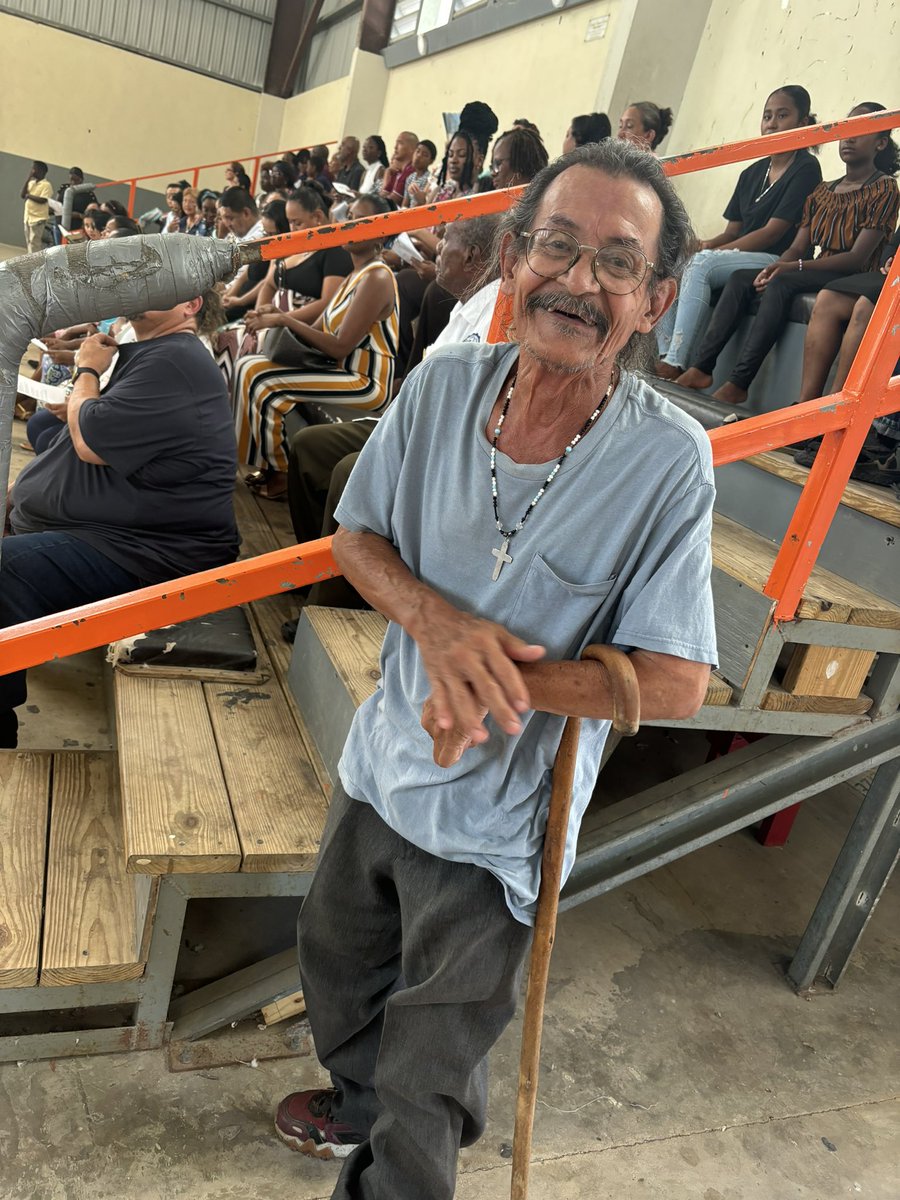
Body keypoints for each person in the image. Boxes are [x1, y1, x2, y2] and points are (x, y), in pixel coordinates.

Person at [273, 139, 715, 1198]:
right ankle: (356, 1103)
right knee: (336, 976)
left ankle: (390, 1164)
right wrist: (439, 627)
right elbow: (356, 539)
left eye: (616, 263)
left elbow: (673, 684)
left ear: (652, 302)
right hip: (383, 768)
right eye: (557, 246)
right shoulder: (443, 386)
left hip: (499, 833)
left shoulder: (667, 462)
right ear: (513, 259)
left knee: (431, 1087)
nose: (578, 281)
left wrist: (496, 682)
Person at [0, 290, 239, 750]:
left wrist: (87, 370)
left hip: (151, 550)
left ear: (190, 306)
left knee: (5, 568)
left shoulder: (177, 360)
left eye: (162, 288)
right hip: (120, 529)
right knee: (42, 446)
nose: (144, 291)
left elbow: (91, 440)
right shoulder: (159, 351)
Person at [677, 101, 900, 405]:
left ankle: (739, 382)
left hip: (852, 275)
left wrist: (792, 268)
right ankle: (701, 368)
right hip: (817, 267)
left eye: (861, 132)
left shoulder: (884, 189)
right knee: (743, 279)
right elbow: (797, 245)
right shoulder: (824, 190)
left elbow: (858, 258)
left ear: (880, 143)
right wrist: (776, 266)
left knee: (783, 283)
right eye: (847, 130)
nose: (848, 138)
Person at [233, 194, 399, 499]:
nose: (347, 224)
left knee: (265, 381)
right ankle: (262, 463)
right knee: (247, 365)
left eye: (358, 220)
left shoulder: (377, 277)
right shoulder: (355, 274)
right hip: (338, 369)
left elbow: (339, 347)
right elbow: (319, 328)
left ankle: (282, 471)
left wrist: (283, 319)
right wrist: (270, 315)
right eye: (347, 215)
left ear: (381, 233)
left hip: (364, 381)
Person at [654, 86, 823, 379]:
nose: (772, 123)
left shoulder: (806, 168)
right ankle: (665, 353)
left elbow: (773, 232)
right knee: (677, 261)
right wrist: (706, 244)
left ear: (804, 123)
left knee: (702, 264)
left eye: (783, 115)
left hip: (775, 257)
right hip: (741, 254)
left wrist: (714, 253)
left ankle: (678, 361)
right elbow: (732, 230)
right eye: (767, 116)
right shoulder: (753, 172)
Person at [21, 160, 53, 252]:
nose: (32, 170)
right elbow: (22, 195)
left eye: (34, 169)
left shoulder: (46, 185)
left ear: (41, 171)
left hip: (38, 219)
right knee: (29, 242)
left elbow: (43, 200)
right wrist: (28, 178)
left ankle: (35, 263)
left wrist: (29, 196)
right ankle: (30, 260)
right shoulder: (31, 183)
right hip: (28, 217)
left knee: (34, 242)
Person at [380, 131, 419, 204]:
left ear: (412, 149)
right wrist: (387, 172)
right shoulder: (397, 171)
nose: (395, 147)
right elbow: (383, 194)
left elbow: (391, 202)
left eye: (400, 143)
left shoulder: (411, 171)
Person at [400, 140, 438, 207]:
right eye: (417, 151)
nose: (419, 156)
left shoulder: (429, 179)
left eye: (425, 155)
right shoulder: (410, 178)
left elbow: (423, 202)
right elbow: (405, 204)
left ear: (431, 161)